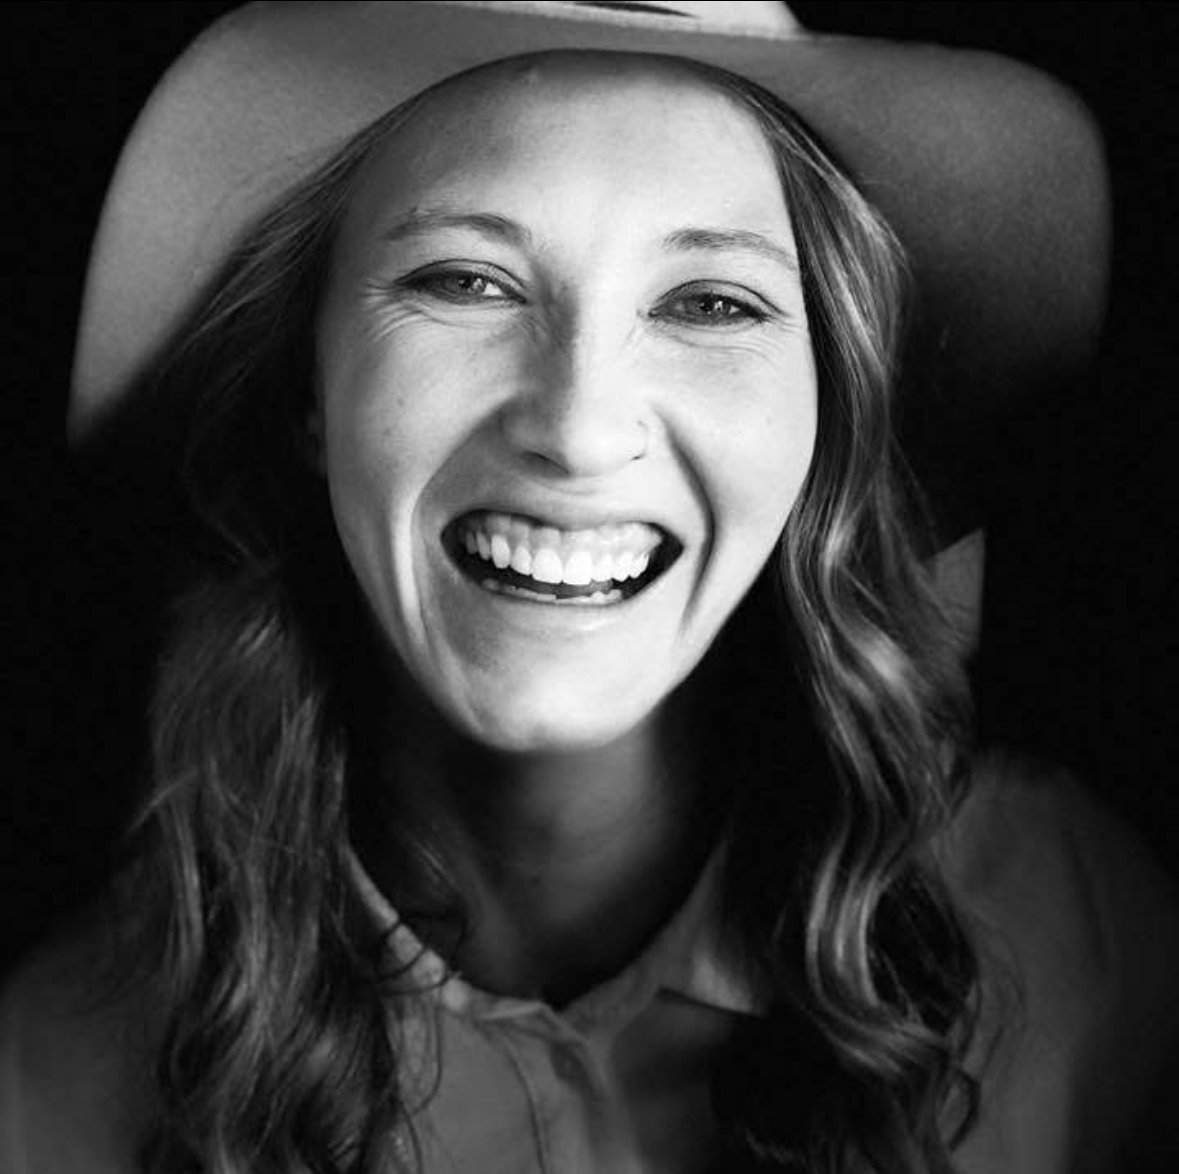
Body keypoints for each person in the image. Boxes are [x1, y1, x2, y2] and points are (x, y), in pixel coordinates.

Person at [2, 3, 1176, 1172]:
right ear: (309, 391)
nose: (575, 429)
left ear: (828, 410)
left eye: (709, 303)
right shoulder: (49, 1082)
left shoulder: (1091, 941)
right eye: (467, 282)